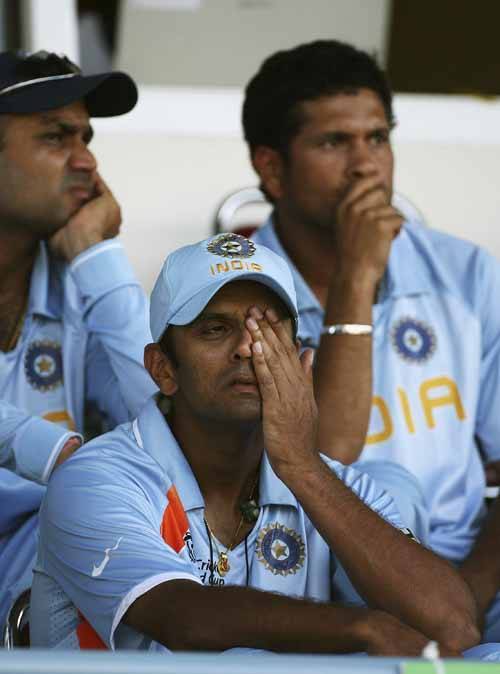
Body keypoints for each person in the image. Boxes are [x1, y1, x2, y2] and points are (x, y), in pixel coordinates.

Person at [31, 232, 479, 656]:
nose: (248, 348)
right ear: (163, 369)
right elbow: (183, 618)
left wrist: (303, 468)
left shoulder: (335, 484)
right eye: (215, 329)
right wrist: (365, 627)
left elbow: (453, 626)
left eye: (266, 329)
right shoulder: (94, 479)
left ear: (299, 362)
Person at [243, 39, 500, 640]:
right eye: (334, 142)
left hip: (470, 574)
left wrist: (468, 594)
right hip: (316, 585)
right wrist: (357, 278)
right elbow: (325, 455)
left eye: (378, 138)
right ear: (272, 169)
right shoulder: (236, 297)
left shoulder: (466, 273)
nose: (366, 165)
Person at [0, 50, 156, 630]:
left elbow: (165, 418)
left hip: (37, 555)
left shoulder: (73, 282)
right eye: (55, 137)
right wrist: (65, 454)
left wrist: (98, 255)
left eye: (86, 137)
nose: (87, 160)